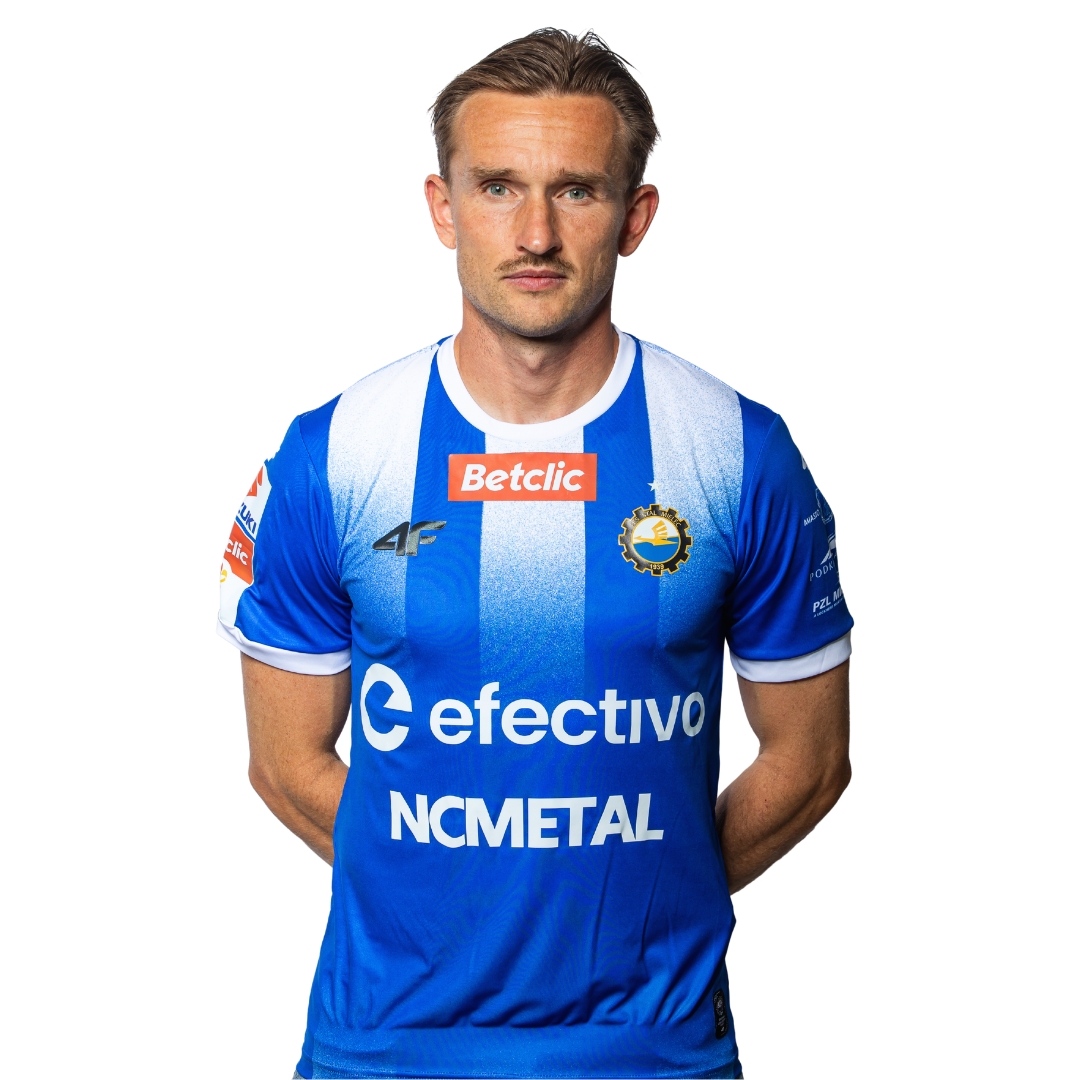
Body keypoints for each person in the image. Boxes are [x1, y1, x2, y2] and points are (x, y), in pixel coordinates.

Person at [218, 28, 853, 1080]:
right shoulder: (333, 455)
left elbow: (811, 761)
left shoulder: (738, 452)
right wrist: (451, 900)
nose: (536, 233)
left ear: (635, 217)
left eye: (578, 191)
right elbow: (285, 766)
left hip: (656, 1052)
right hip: (385, 1050)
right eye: (499, 187)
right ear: (443, 207)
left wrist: (646, 893)